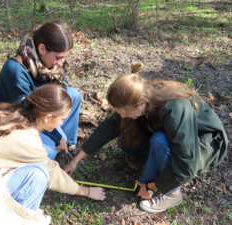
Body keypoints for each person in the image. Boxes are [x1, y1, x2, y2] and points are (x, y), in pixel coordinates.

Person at [64, 62, 228, 213]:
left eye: (125, 112)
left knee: (160, 141)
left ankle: (173, 194)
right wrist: (75, 160)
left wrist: (152, 186)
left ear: (141, 103)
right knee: (128, 140)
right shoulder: (138, 95)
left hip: (205, 145)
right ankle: (161, 166)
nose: (122, 115)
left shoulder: (175, 110)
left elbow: (187, 163)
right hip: (174, 137)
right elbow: (108, 127)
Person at [0, 84, 105, 224]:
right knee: (37, 176)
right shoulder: (26, 139)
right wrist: (85, 191)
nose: (62, 123)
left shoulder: (13, 113)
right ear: (47, 117)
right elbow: (53, 175)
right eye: (61, 119)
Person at [0, 21, 81, 160]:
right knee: (47, 151)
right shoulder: (16, 70)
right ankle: (55, 148)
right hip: (18, 122)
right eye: (58, 57)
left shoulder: (52, 64)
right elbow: (27, 114)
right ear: (42, 49)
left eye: (64, 57)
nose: (61, 62)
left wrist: (59, 137)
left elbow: (61, 94)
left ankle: (67, 147)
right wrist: (57, 138)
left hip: (44, 114)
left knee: (74, 95)